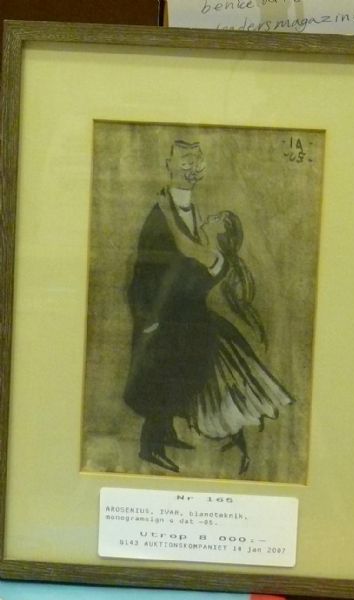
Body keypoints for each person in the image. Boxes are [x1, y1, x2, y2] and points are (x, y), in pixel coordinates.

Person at [160, 206, 294, 475]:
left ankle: (242, 450)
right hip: (199, 326)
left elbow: (185, 245)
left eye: (217, 220)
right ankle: (238, 443)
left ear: (222, 235)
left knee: (220, 389)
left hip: (204, 331)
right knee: (221, 391)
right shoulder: (209, 251)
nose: (210, 219)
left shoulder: (214, 256)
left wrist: (167, 212)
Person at [124, 140, 222, 473]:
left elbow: (194, 264)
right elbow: (145, 271)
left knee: (181, 373)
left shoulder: (194, 211)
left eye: (196, 162)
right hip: (161, 315)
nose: (191, 169)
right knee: (159, 377)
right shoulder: (159, 215)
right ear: (169, 166)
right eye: (184, 162)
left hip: (186, 315)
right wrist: (147, 317)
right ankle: (149, 446)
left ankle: (166, 432)